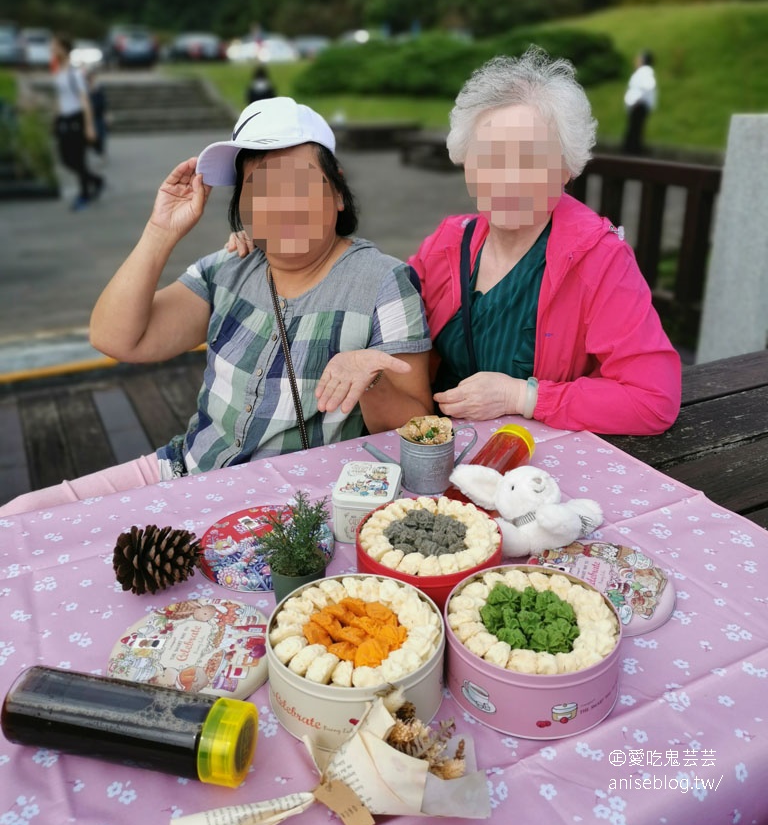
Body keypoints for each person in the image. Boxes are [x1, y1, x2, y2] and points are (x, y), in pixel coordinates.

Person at [1, 97, 432, 516]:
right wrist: (160, 230)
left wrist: (372, 378)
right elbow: (117, 339)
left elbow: (416, 430)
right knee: (21, 514)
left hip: (297, 502)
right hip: (187, 470)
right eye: (259, 187)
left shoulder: (382, 282)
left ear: (337, 192)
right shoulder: (228, 268)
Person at [408, 48, 681, 437]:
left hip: (542, 467)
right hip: (442, 459)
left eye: (531, 159)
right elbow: (389, 321)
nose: (509, 179)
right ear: (465, 161)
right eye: (490, 157)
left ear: (567, 168)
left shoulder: (599, 259)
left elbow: (653, 400)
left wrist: (522, 396)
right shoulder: (448, 242)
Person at [51, 35, 104, 210]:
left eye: (55, 45)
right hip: (64, 119)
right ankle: (95, 180)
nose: (52, 49)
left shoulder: (75, 74)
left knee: (78, 159)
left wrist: (89, 126)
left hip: (76, 119)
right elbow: (60, 98)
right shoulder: (59, 72)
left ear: (64, 49)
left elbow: (84, 100)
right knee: (66, 159)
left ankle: (84, 194)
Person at [622, 50, 657, 155]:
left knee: (635, 129)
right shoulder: (644, 72)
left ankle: (631, 150)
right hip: (638, 105)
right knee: (635, 128)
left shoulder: (644, 72)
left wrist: (636, 100)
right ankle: (632, 149)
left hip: (638, 105)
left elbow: (647, 87)